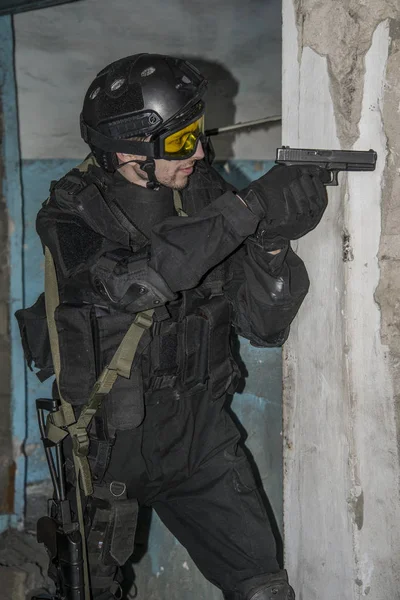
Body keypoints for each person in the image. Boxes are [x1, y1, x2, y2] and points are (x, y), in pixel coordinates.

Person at [35, 53, 328, 600]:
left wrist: (269, 240)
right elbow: (134, 284)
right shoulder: (70, 214)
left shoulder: (203, 192)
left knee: (264, 587)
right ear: (127, 151)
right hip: (108, 448)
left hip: (199, 438)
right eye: (178, 142)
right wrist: (247, 210)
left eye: (196, 133)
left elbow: (264, 329)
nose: (196, 151)